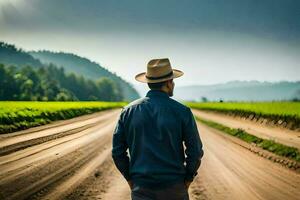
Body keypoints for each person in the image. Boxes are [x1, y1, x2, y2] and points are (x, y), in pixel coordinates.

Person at [112, 58, 204, 200]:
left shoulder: (128, 112)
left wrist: (130, 179)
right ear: (168, 83)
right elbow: (195, 151)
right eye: (172, 81)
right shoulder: (182, 111)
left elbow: (118, 152)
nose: (173, 84)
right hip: (174, 188)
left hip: (141, 188)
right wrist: (188, 178)